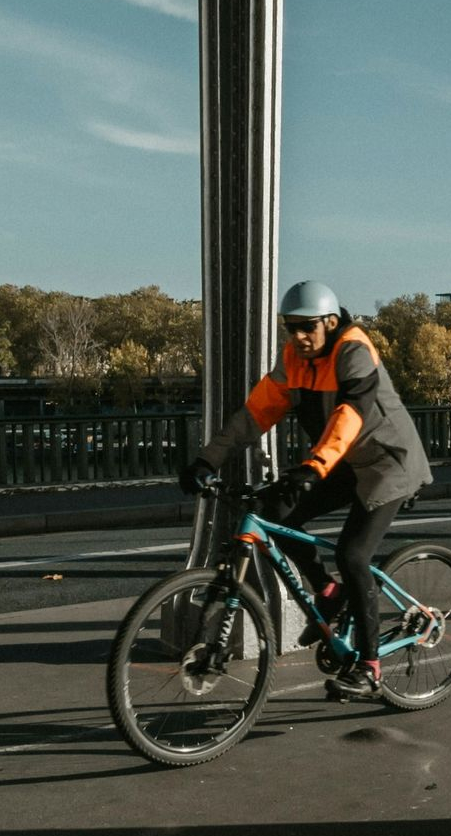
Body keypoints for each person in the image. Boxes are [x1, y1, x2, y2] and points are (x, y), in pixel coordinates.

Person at [180, 281, 432, 702]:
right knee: (273, 513)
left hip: (388, 461)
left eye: (306, 326)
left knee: (353, 555)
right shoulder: (294, 359)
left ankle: (369, 667)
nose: (298, 336)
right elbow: (255, 414)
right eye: (289, 327)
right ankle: (328, 592)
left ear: (330, 322)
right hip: (340, 461)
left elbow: (351, 414)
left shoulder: (353, 349)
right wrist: (208, 460)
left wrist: (314, 467)